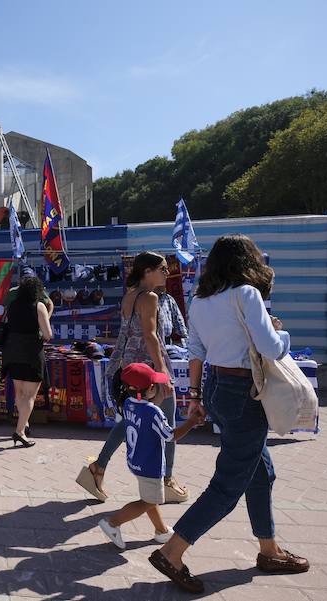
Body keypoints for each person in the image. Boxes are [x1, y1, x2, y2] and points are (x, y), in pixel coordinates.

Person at [151, 234, 309, 594]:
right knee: (229, 482)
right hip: (244, 393)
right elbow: (270, 346)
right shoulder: (247, 295)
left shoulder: (201, 299)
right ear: (248, 262)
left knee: (260, 471)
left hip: (217, 387)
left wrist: (194, 395)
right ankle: (172, 551)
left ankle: (269, 549)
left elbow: (196, 350)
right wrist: (282, 334)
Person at [76, 252, 188, 504]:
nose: (166, 273)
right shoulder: (149, 297)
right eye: (162, 268)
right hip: (148, 368)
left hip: (130, 367)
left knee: (130, 419)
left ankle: (98, 468)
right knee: (167, 423)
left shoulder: (130, 295)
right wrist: (162, 375)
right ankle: (167, 480)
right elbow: (151, 336)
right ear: (148, 271)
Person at [98, 363, 202, 550]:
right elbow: (171, 436)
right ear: (151, 389)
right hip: (150, 465)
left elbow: (145, 414)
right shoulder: (153, 412)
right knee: (150, 500)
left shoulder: (128, 403)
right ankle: (112, 523)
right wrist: (192, 421)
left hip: (136, 461)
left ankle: (161, 531)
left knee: (150, 497)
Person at [0, 275, 52, 448]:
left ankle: (24, 424)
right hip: (31, 354)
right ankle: (20, 431)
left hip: (13, 352)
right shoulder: (39, 306)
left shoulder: (13, 306)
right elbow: (47, 335)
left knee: (20, 393)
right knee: (30, 395)